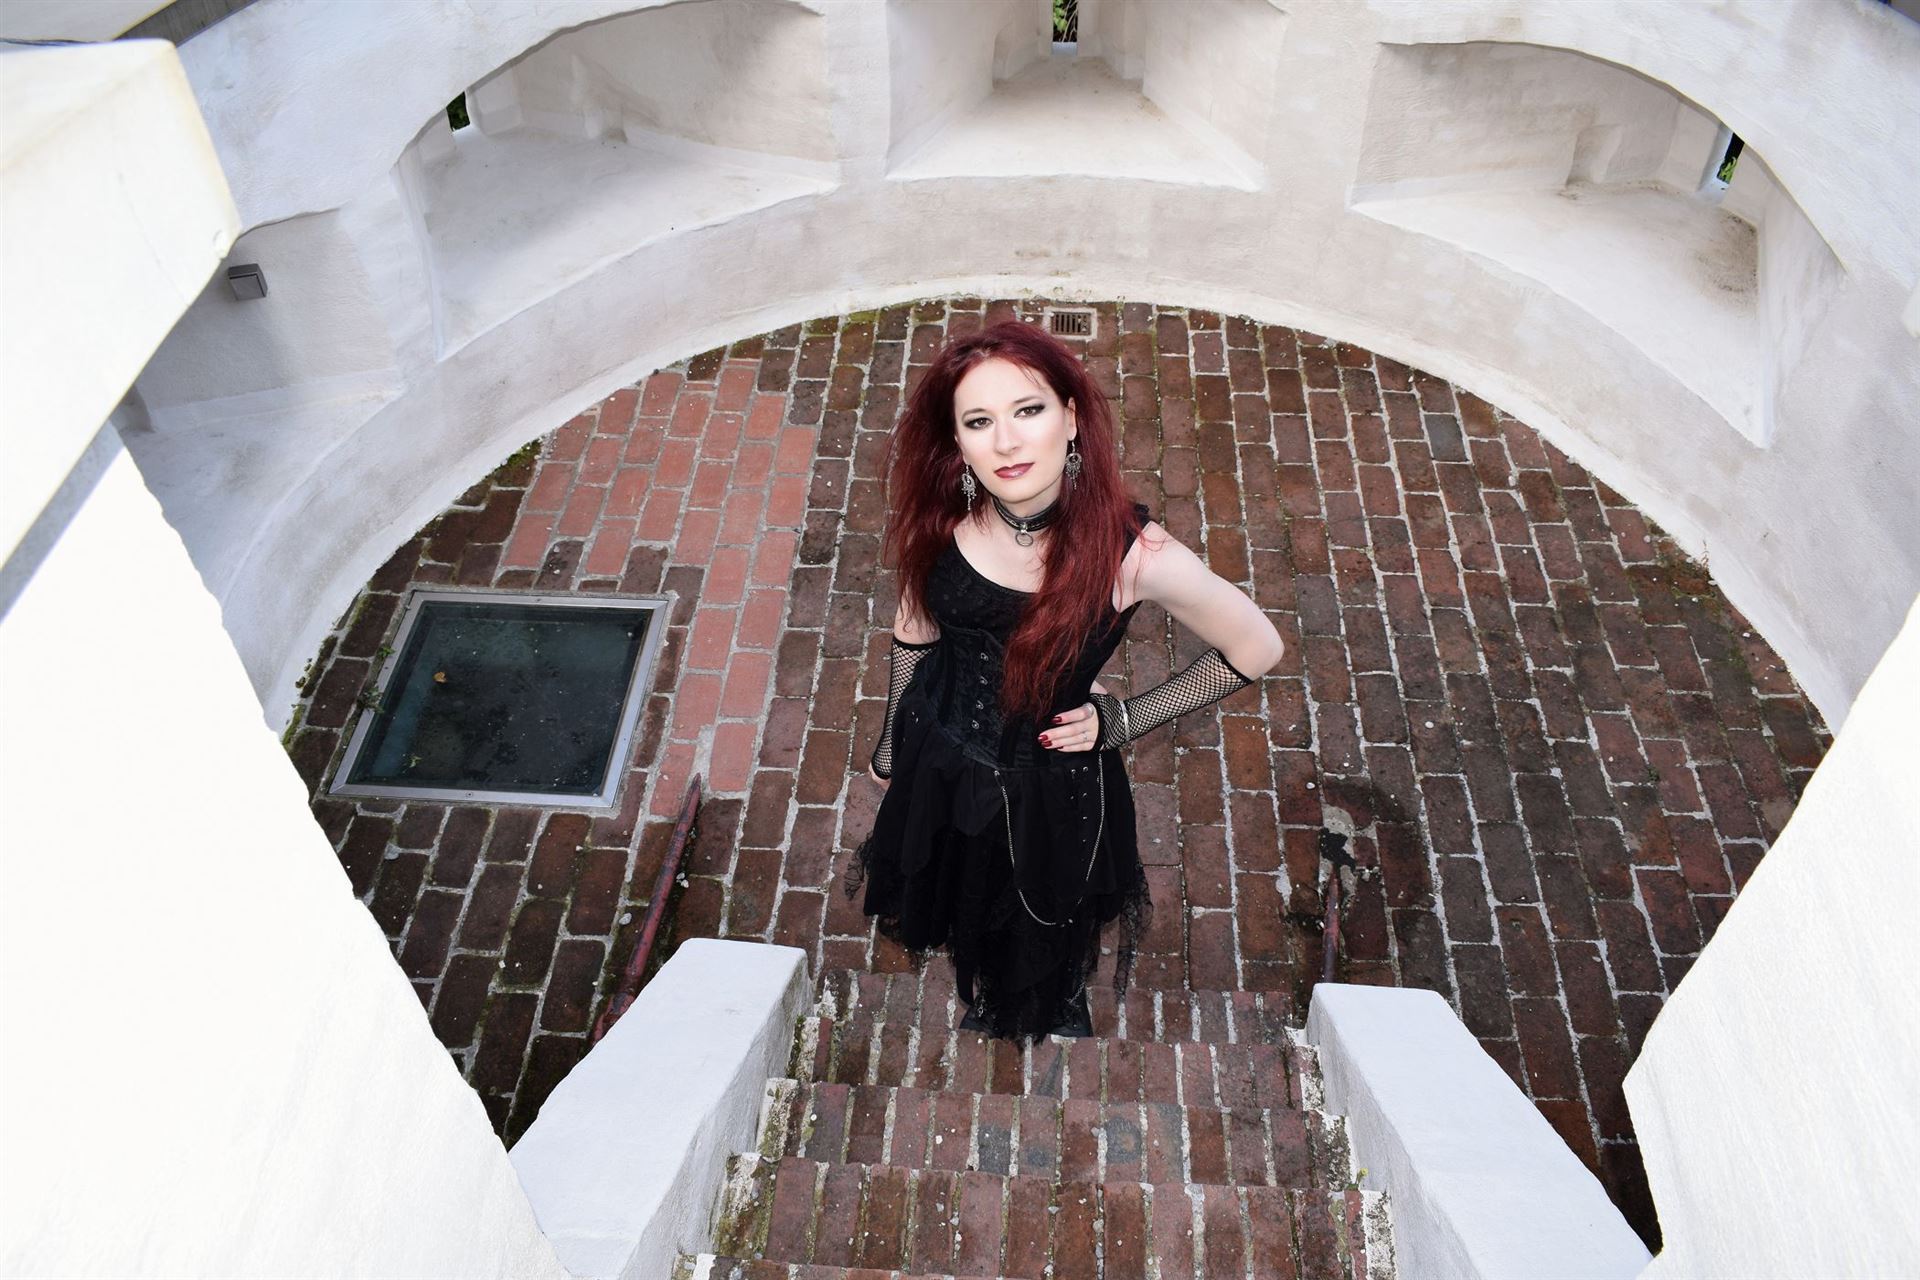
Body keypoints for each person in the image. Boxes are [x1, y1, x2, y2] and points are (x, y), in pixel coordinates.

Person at [845, 318, 1286, 1043]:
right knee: (959, 882)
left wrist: (1126, 720)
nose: (1006, 442)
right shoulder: (945, 516)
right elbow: (915, 629)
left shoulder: (1134, 555)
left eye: (1028, 410)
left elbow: (1256, 645)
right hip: (942, 755)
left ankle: (1049, 994)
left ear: (1072, 418)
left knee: (1041, 912)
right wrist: (894, 743)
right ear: (958, 441)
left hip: (1047, 784)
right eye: (979, 422)